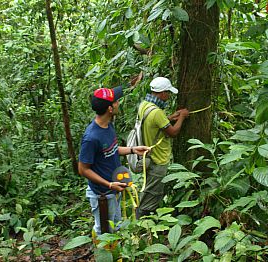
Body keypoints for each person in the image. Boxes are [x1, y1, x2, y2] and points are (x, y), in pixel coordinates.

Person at [78, 85, 150, 235]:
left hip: (113, 189)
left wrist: (132, 149)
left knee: (116, 227)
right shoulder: (91, 137)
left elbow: (110, 150)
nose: (118, 103)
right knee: (103, 231)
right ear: (110, 109)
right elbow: (83, 169)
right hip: (102, 194)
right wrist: (109, 185)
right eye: (116, 101)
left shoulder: (108, 126)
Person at [137, 77, 189, 218]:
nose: (169, 96)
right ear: (163, 93)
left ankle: (144, 222)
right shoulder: (157, 113)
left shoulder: (145, 105)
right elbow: (173, 132)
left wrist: (171, 117)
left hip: (147, 156)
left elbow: (155, 123)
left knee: (148, 191)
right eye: (168, 93)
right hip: (157, 160)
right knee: (152, 195)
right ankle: (143, 224)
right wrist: (182, 117)